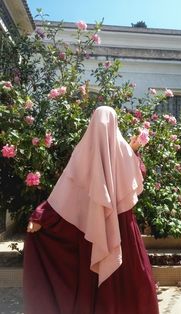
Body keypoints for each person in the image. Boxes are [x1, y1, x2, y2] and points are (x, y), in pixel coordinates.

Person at [23, 106, 159, 314]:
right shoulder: (123, 150)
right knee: (132, 280)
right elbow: (139, 173)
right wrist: (133, 151)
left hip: (92, 232)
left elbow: (63, 193)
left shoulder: (84, 152)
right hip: (121, 230)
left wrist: (40, 216)